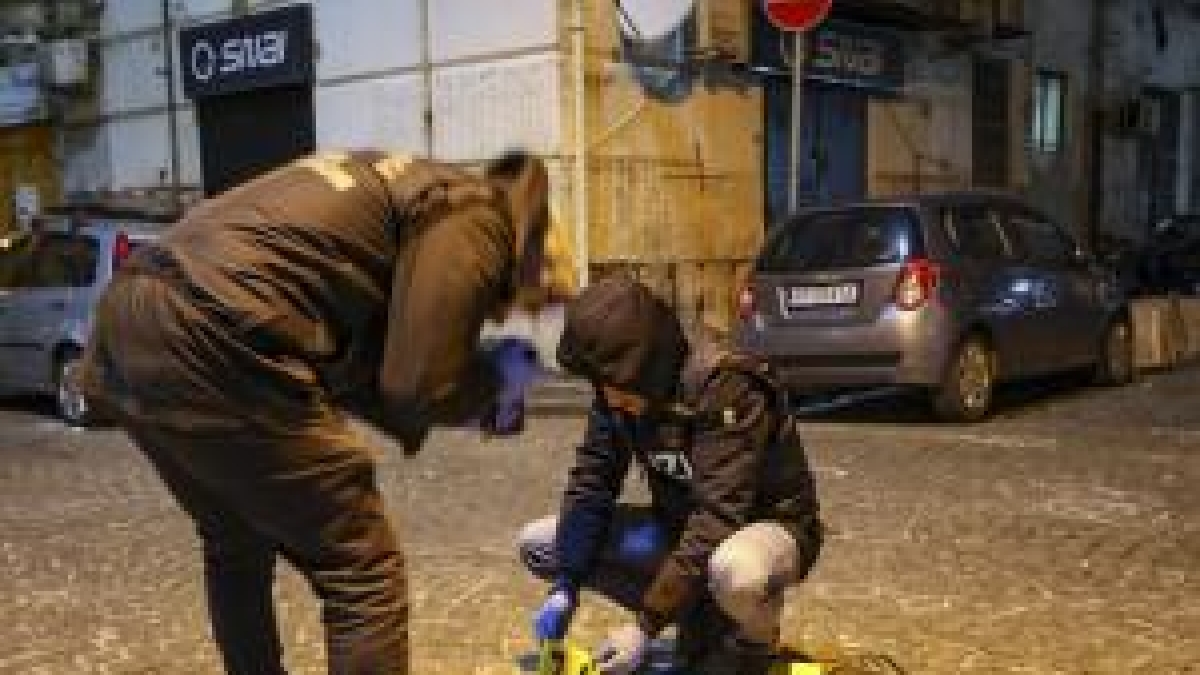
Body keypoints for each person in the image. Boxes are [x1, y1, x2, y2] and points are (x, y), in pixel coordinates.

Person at [82, 149, 555, 675]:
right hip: (213, 322)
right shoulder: (474, 210)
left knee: (234, 542)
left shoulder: (404, 185)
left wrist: (463, 391)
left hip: (127, 320)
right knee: (361, 569)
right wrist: (488, 388)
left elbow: (354, 362)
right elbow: (414, 384)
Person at [517, 275, 824, 674]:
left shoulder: (724, 382)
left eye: (618, 387)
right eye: (602, 387)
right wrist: (567, 585)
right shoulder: (615, 390)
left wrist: (645, 625)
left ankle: (753, 643)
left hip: (759, 529)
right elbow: (591, 485)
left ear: (648, 365)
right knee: (541, 543)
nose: (610, 399)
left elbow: (717, 518)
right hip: (681, 528)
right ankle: (699, 617)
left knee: (737, 571)